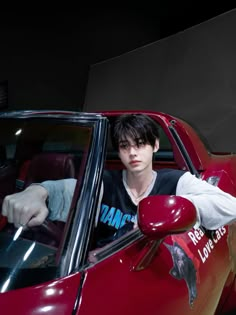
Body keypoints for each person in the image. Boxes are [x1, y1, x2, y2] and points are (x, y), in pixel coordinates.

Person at [2, 114, 236, 247]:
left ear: (155, 145)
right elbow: (64, 190)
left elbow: (229, 206)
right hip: (102, 268)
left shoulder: (175, 181)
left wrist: (181, 208)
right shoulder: (104, 182)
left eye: (140, 144)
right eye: (125, 146)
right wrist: (35, 191)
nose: (133, 153)